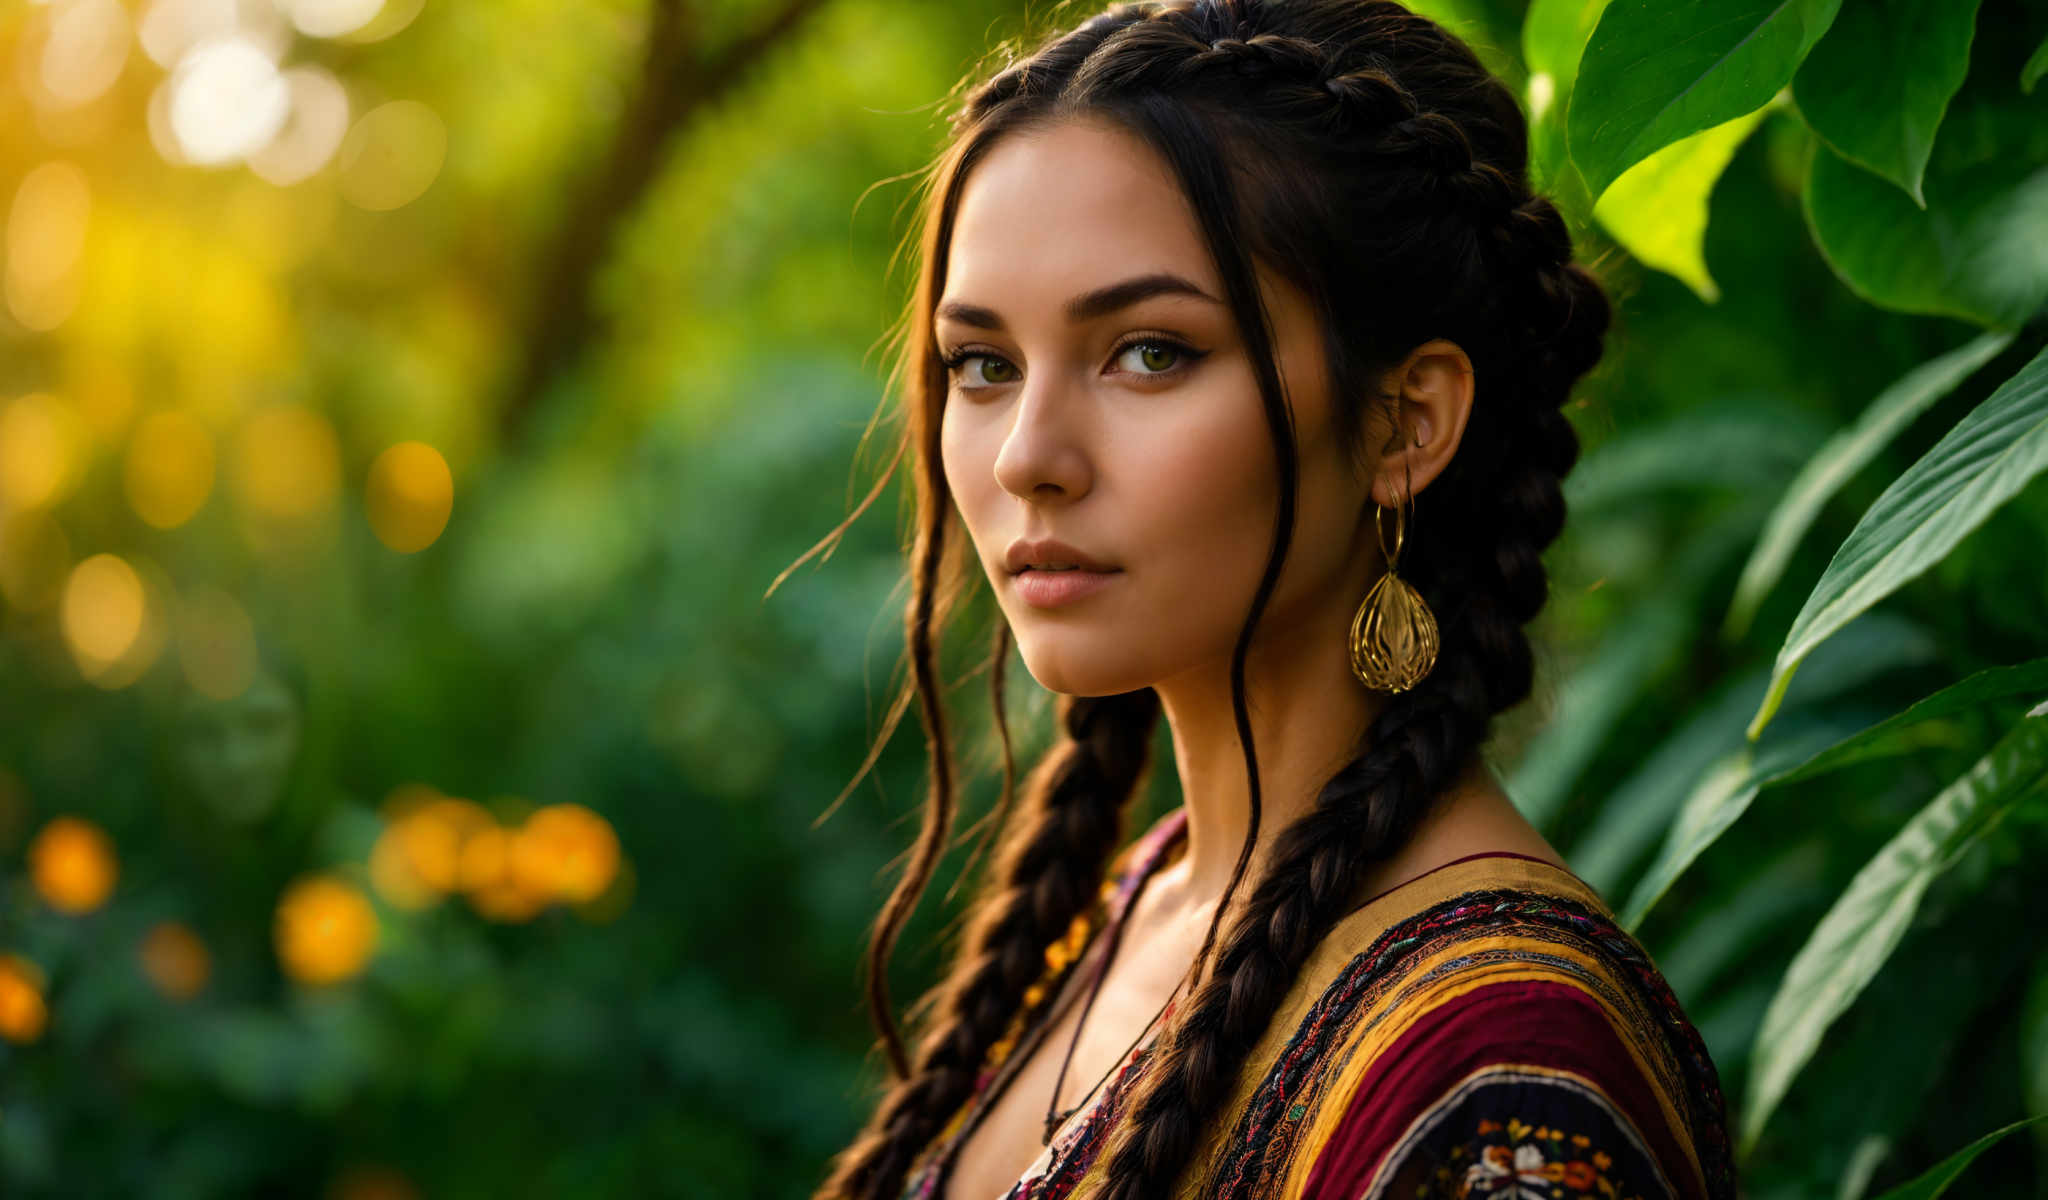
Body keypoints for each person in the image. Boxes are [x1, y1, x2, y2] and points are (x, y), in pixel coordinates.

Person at [809, 1, 1736, 1197]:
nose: (1023, 455)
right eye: (982, 365)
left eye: (1149, 351)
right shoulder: (1143, 901)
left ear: (1404, 423)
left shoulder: (1498, 1069)